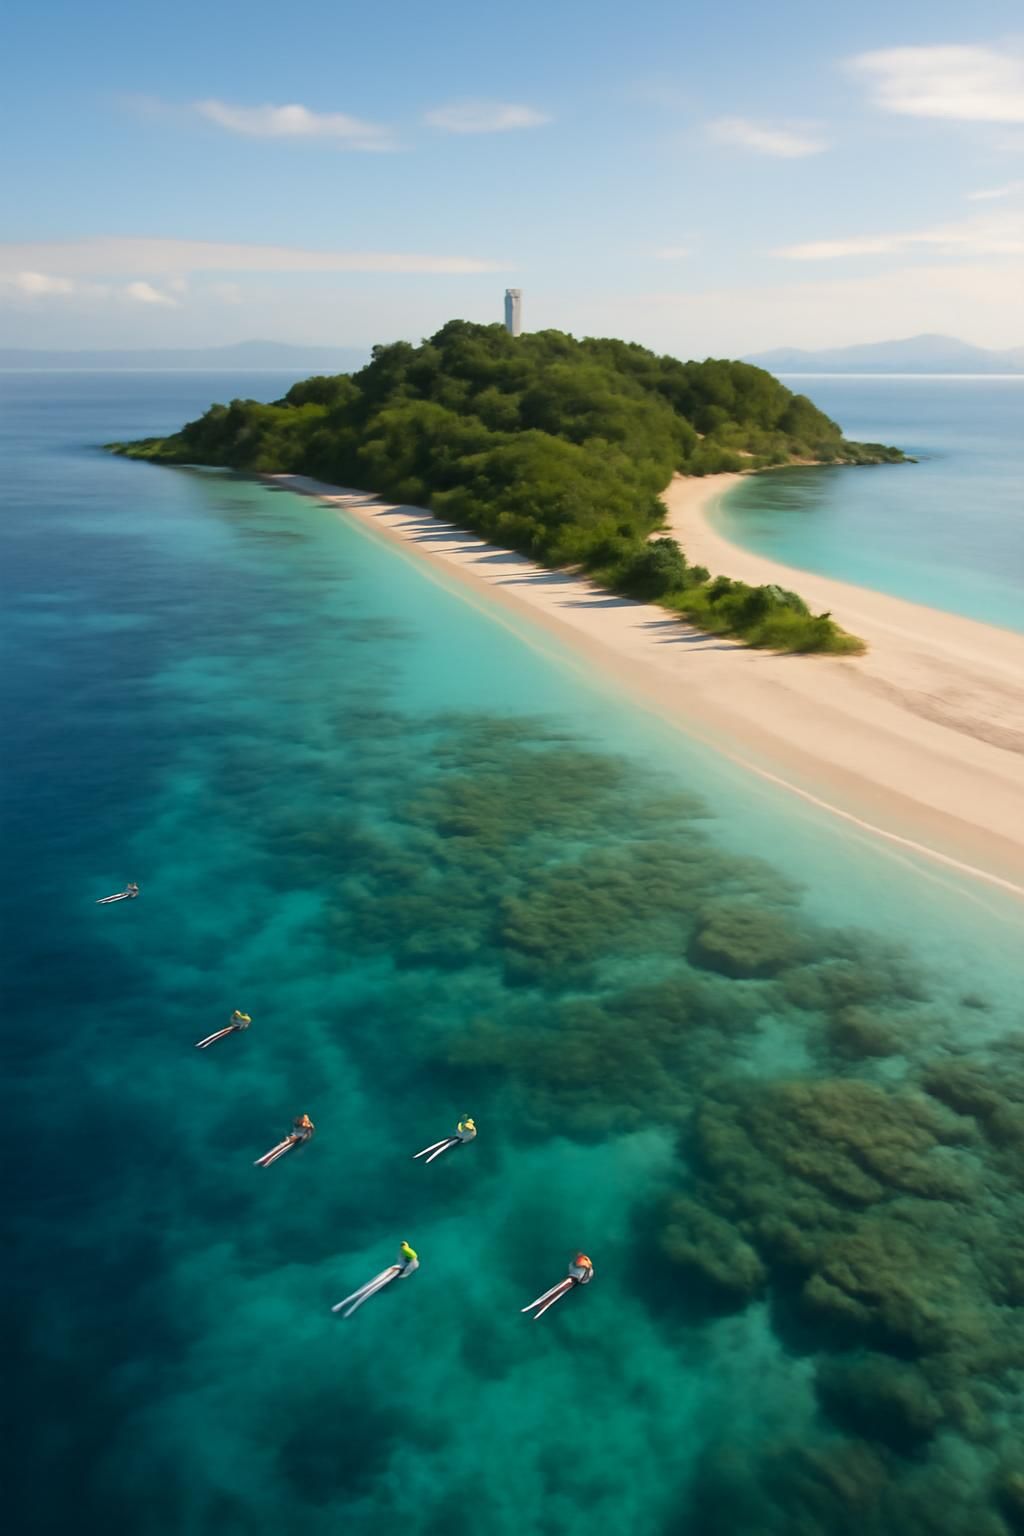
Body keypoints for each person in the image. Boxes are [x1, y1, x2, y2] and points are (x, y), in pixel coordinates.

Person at [332, 1242, 420, 1318]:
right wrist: (404, 1274)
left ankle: (346, 1305)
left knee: (372, 1285)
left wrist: (403, 1271)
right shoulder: (411, 1259)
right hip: (397, 1270)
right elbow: (406, 1272)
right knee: (373, 1287)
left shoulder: (403, 1253)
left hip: (396, 1268)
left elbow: (403, 1263)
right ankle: (349, 1307)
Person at [521, 1253, 595, 1320]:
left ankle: (543, 1304)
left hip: (575, 1279)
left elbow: (581, 1276)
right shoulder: (576, 1267)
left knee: (559, 1290)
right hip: (574, 1278)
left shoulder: (575, 1267)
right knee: (558, 1290)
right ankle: (542, 1304)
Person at [412, 1115, 477, 1164]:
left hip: (459, 1137)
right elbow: (465, 1138)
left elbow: (460, 1132)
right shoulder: (472, 1132)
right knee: (443, 1145)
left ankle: (425, 1158)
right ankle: (425, 1158)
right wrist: (462, 1140)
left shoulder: (467, 1129)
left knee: (444, 1146)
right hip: (459, 1137)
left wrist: (460, 1138)